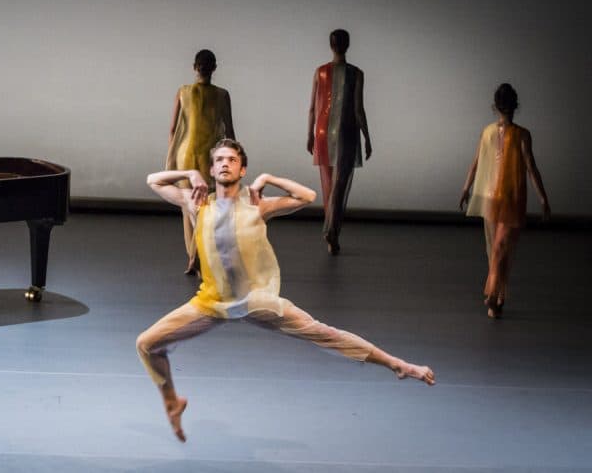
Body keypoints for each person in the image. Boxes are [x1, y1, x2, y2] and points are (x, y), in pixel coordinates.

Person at [138, 139, 434, 442]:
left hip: (256, 300)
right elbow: (153, 180)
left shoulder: (256, 205)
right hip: (210, 303)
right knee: (146, 344)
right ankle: (172, 401)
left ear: (242, 169)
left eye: (232, 160)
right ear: (212, 169)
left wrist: (267, 179)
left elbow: (307, 195)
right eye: (219, 160)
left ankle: (398, 365)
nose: (225, 164)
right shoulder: (197, 202)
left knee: (325, 334)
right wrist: (189, 172)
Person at [459, 84, 550, 318]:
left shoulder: (499, 133)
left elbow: (477, 163)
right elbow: (530, 168)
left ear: (494, 106)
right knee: (500, 250)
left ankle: (494, 296)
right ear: (515, 105)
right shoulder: (512, 134)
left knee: (496, 249)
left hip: (496, 197)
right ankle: (497, 298)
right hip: (507, 197)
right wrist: (543, 199)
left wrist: (466, 189)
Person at [165, 49, 235, 274]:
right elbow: (229, 131)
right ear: (214, 68)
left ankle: (192, 256)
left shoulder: (183, 92)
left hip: (185, 154)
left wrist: (172, 155)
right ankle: (196, 255)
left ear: (195, 67)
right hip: (209, 156)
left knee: (188, 207)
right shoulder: (222, 95)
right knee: (206, 207)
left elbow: (173, 129)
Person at [306, 29, 371, 255]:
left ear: (331, 45)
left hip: (323, 131)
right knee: (339, 186)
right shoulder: (356, 73)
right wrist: (367, 136)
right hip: (346, 131)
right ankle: (332, 231)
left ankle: (330, 232)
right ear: (347, 44)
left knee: (328, 184)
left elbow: (313, 107)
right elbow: (358, 109)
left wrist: (309, 134)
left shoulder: (320, 72)